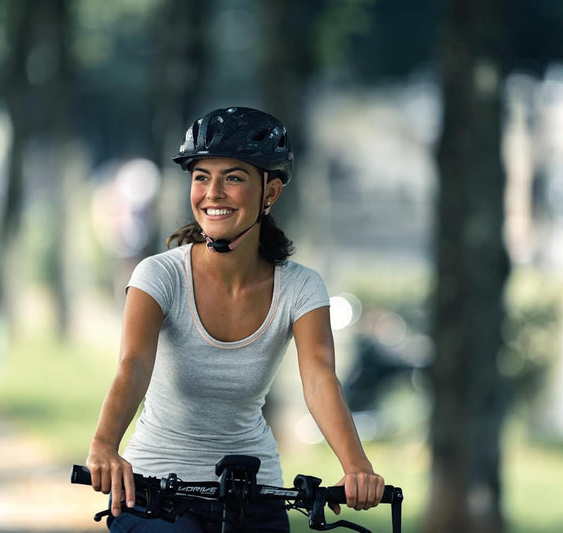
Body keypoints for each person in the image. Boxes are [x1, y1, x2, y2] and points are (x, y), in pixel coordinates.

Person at [86, 106, 384, 532]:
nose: (213, 192)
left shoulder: (300, 287)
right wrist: (104, 445)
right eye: (201, 177)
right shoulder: (160, 275)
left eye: (233, 177)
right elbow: (134, 365)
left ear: (271, 191)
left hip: (254, 492)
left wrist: (356, 465)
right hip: (158, 492)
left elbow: (319, 378)